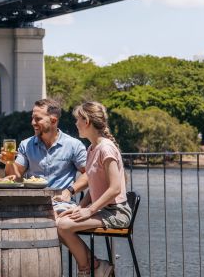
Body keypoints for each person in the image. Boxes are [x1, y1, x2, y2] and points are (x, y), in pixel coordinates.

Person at [57, 102, 131, 277]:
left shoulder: (106, 149)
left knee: (64, 225)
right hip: (102, 209)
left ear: (87, 121)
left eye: (78, 120)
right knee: (58, 221)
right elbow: (95, 186)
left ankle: (88, 268)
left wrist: (89, 210)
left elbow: (114, 189)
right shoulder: (92, 148)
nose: (76, 124)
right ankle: (96, 265)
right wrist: (81, 207)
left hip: (116, 212)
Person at [4, 98, 88, 213]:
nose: (33, 122)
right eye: (32, 118)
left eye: (38, 119)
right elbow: (13, 177)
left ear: (53, 120)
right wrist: (9, 162)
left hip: (62, 204)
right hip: (32, 203)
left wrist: (69, 191)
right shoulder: (26, 145)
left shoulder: (74, 145)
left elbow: (89, 173)